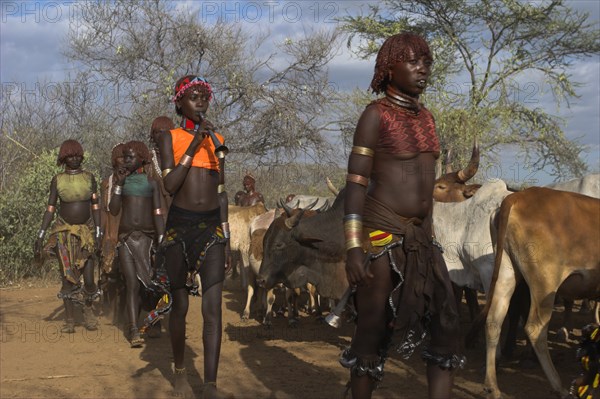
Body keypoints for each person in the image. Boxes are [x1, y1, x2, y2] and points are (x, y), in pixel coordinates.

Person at [342, 32, 464, 398]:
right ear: (389, 68)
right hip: (381, 236)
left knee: (445, 328)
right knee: (372, 333)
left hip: (421, 240)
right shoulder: (374, 115)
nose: (422, 69)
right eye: (412, 61)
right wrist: (352, 248)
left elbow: (426, 191)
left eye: (426, 62)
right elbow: (355, 184)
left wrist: (429, 240)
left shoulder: (426, 118)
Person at [157, 75, 232, 399]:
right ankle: (179, 374)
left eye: (205, 96)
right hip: (180, 226)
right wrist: (193, 142)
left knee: (213, 308)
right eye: (194, 96)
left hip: (211, 228)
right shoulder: (168, 137)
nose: (201, 101)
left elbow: (223, 192)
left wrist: (226, 238)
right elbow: (170, 185)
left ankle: (211, 385)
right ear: (179, 103)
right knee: (181, 305)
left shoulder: (218, 138)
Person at [34, 139, 102, 333]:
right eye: (70, 156)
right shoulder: (58, 180)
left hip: (86, 234)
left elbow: (96, 207)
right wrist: (41, 234)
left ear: (82, 156)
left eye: (77, 155)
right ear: (64, 158)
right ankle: (70, 320)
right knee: (67, 278)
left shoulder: (90, 178)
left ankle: (88, 310)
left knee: (89, 278)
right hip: (63, 234)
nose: (74, 159)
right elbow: (50, 208)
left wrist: (98, 231)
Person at [108, 140, 165, 348]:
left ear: (142, 158)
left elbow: (158, 213)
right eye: (125, 157)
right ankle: (133, 329)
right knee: (132, 283)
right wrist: (119, 185)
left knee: (151, 284)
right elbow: (114, 210)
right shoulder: (120, 181)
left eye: (131, 157)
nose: (126, 160)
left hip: (148, 239)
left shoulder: (152, 183)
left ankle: (154, 321)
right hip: (126, 240)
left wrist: (161, 238)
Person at [98, 143, 126, 322]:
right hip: (111, 233)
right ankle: (113, 312)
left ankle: (125, 313)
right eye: (119, 159)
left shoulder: (134, 182)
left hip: (128, 233)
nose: (123, 163)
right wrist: (101, 234)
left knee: (128, 277)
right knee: (111, 276)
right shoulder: (106, 184)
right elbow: (102, 210)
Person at [148, 116, 175, 220]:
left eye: (166, 132)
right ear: (152, 135)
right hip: (153, 217)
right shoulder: (147, 160)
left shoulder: (180, 158)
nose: (162, 136)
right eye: (158, 132)